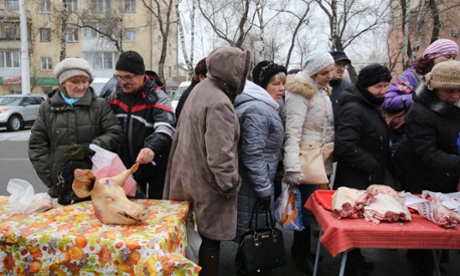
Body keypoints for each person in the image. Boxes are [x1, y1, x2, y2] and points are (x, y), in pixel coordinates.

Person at [163, 46, 251, 276]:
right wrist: (230, 184)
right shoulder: (219, 102)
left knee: (192, 243)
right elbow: (220, 156)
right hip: (208, 188)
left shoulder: (200, 90)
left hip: (187, 180)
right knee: (209, 242)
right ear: (232, 72)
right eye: (242, 71)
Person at [394, 60, 460, 275]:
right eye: (449, 91)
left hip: (444, 171)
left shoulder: (450, 107)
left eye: (459, 91)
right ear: (434, 88)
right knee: (426, 225)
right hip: (421, 174)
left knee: (443, 223)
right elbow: (427, 154)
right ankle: (423, 263)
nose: (455, 96)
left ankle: (435, 260)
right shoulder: (420, 113)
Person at [28, 58, 122, 198]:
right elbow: (37, 145)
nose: (81, 87)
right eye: (75, 82)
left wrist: (89, 148)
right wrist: (51, 178)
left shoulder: (99, 106)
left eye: (84, 81)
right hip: (60, 185)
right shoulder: (47, 108)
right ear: (63, 83)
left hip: (94, 183)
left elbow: (114, 133)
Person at [333, 63, 393, 275]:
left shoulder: (369, 105)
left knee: (359, 224)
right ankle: (349, 264)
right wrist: (372, 165)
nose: (384, 91)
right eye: (379, 86)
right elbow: (345, 145)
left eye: (387, 85)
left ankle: (355, 259)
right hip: (355, 177)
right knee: (353, 224)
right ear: (366, 86)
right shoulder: (354, 108)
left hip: (367, 174)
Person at [282, 51, 335, 275]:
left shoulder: (321, 90)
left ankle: (302, 249)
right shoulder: (300, 92)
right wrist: (292, 167)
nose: (330, 76)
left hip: (318, 156)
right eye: (325, 72)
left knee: (310, 207)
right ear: (313, 73)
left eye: (330, 71)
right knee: (302, 209)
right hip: (305, 157)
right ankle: (300, 253)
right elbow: (292, 132)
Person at [104, 51, 176, 199]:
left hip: (155, 165)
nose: (123, 82)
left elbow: (166, 127)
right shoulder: (113, 96)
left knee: (158, 210)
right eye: (120, 77)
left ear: (142, 75)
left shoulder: (158, 97)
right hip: (125, 168)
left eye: (128, 77)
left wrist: (151, 147)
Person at [233, 60, 286, 243]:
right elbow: (253, 154)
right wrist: (264, 188)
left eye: (283, 84)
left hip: (257, 181)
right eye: (276, 83)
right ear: (263, 85)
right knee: (254, 236)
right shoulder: (258, 109)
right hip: (254, 184)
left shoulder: (263, 107)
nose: (281, 89)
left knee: (255, 233)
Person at [382, 38, 458, 153]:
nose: (451, 61)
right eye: (447, 57)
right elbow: (387, 101)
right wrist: (421, 98)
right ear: (432, 57)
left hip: (436, 137)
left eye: (453, 58)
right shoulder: (411, 77)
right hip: (406, 137)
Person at [329, 50, 352, 129]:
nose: (342, 69)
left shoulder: (349, 88)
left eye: (344, 65)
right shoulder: (317, 86)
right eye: (338, 64)